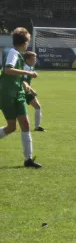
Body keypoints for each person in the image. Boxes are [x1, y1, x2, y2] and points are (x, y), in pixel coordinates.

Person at [0, 27, 42, 168]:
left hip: (19, 95)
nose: (28, 44)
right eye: (28, 42)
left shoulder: (16, 54)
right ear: (24, 43)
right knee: (11, 127)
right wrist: (28, 74)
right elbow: (8, 69)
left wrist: (24, 83)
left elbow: (14, 74)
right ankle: (28, 159)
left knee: (25, 124)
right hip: (7, 95)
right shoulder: (13, 53)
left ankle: (28, 160)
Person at [23, 51, 45, 132]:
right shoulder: (25, 68)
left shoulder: (30, 67)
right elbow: (23, 81)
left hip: (26, 91)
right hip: (21, 91)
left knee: (37, 106)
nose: (34, 61)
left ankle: (37, 126)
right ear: (26, 60)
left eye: (35, 59)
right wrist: (32, 91)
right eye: (32, 59)